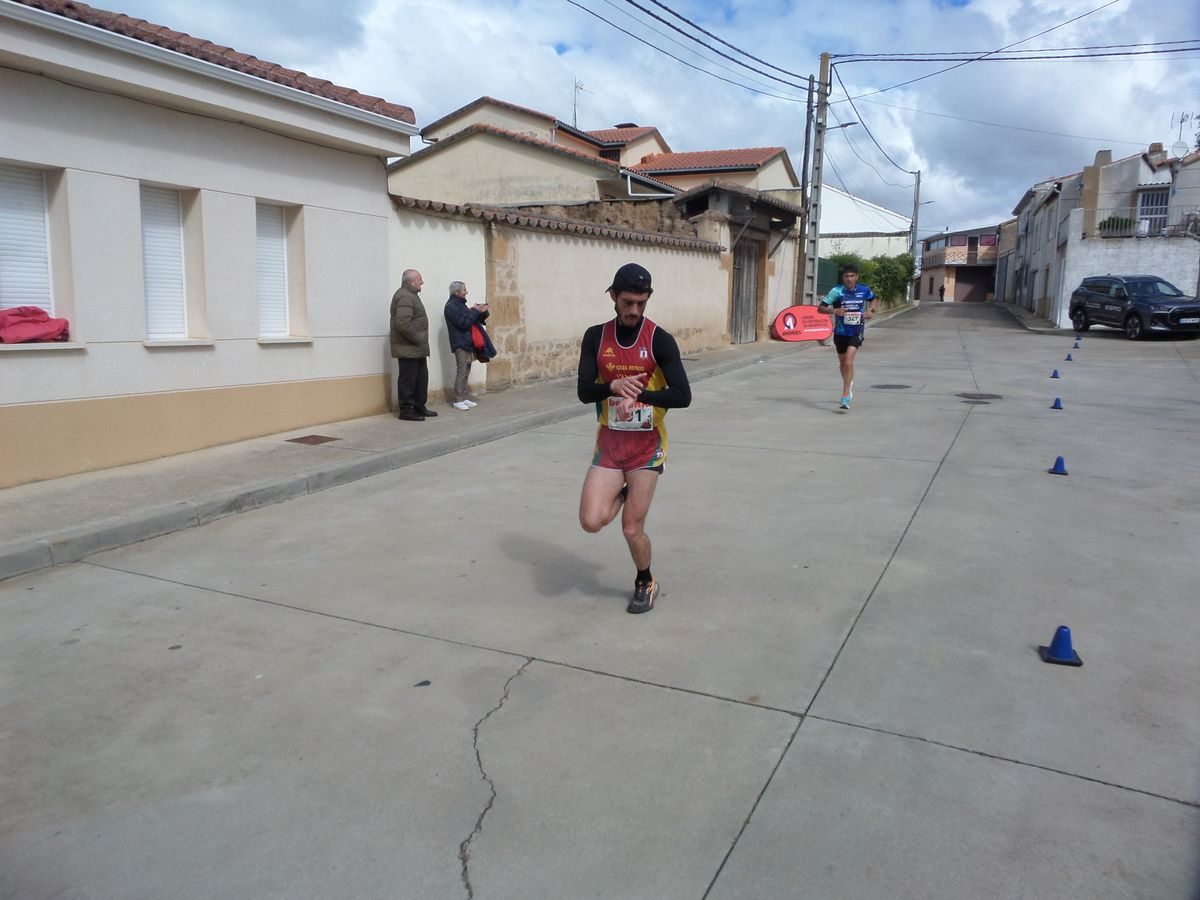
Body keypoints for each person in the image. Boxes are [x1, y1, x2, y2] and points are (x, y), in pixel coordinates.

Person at [577, 263, 691, 614]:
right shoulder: (596, 337)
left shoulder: (659, 339)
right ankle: (626, 491)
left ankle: (645, 580)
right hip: (610, 445)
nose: (634, 310)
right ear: (613, 296)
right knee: (591, 521)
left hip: (647, 448)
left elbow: (683, 395)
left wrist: (642, 396)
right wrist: (612, 386)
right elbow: (584, 392)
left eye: (641, 303)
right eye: (628, 302)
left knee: (631, 529)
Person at [819, 264, 877, 410]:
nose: (849, 279)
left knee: (849, 361)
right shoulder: (836, 291)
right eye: (846, 276)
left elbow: (874, 299)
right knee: (843, 363)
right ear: (843, 278)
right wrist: (834, 311)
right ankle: (848, 382)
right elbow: (820, 308)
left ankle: (845, 395)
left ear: (857, 277)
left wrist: (871, 310)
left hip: (856, 331)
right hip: (840, 333)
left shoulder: (864, 290)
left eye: (852, 276)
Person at [390, 268, 438, 421]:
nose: (422, 282)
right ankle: (407, 410)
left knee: (420, 378)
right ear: (411, 282)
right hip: (408, 347)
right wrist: (418, 339)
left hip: (416, 348)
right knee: (408, 380)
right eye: (419, 279)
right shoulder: (405, 296)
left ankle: (419, 406)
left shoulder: (411, 295)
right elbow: (402, 323)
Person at [443, 281, 489, 410]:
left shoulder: (459, 304)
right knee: (462, 370)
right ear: (457, 292)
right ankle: (458, 400)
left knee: (466, 370)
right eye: (464, 290)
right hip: (460, 343)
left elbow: (467, 318)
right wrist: (474, 311)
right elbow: (463, 323)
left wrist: (477, 310)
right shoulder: (451, 306)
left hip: (466, 342)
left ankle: (463, 397)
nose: (466, 292)